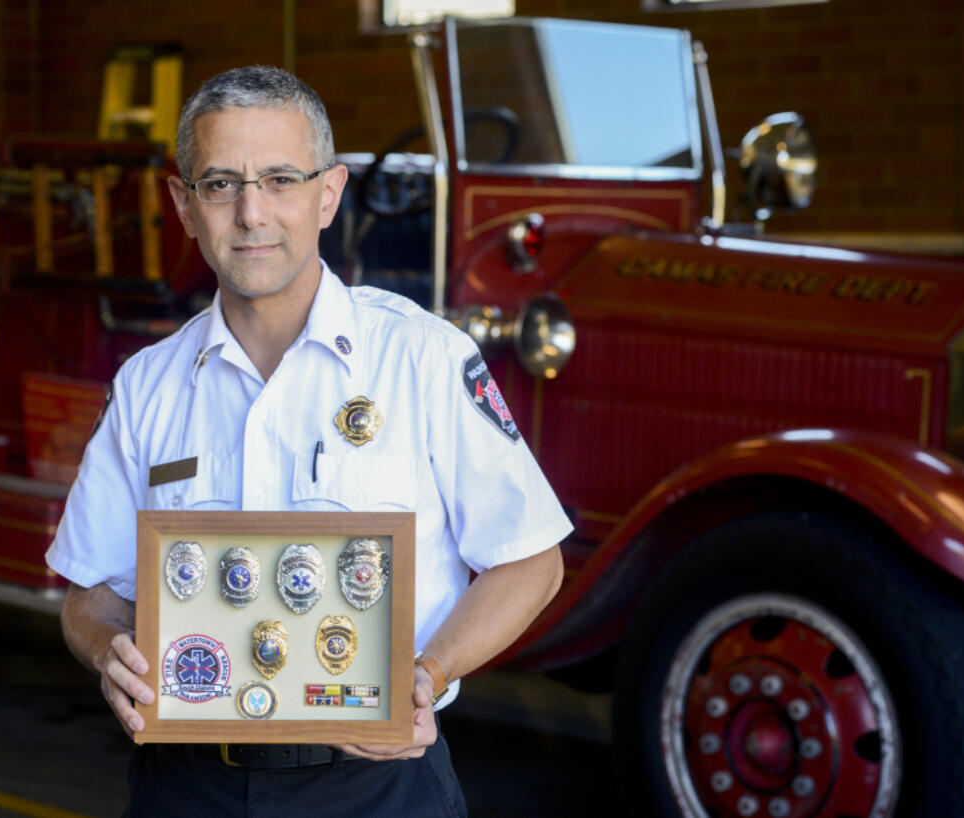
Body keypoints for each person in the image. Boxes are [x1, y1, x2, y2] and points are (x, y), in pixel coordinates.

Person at [45, 64, 571, 818]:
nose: (252, 213)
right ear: (183, 206)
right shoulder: (147, 385)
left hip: (378, 790)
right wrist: (108, 652)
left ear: (329, 194)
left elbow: (532, 560)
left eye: (281, 179)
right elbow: (89, 592)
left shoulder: (423, 359)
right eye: (220, 184)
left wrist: (425, 674)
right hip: (187, 787)